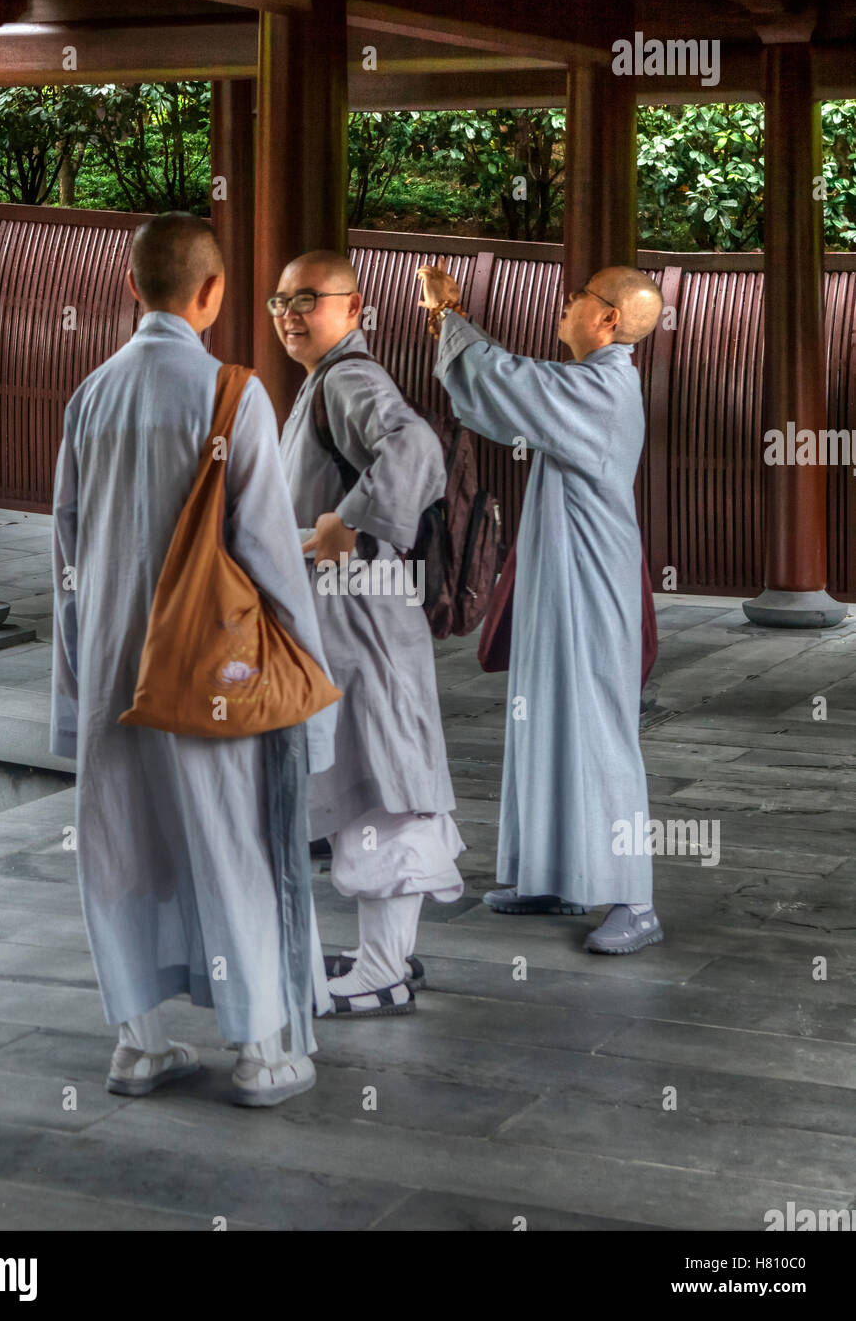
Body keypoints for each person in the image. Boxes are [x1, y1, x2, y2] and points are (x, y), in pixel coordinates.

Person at [51, 212, 337, 1104]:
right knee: (230, 847)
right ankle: (261, 1053)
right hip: (212, 676)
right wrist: (307, 698)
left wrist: (72, 693)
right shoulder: (231, 393)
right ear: (212, 295)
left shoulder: (89, 395)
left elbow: (66, 555)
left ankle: (138, 1046)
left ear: (133, 287)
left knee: (122, 849)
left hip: (110, 667)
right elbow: (267, 554)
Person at [418, 262, 664, 954]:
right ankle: (552, 876)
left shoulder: (604, 385)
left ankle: (635, 900)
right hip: (565, 586)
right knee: (546, 717)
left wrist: (449, 315)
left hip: (591, 590)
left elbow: (510, 382)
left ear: (608, 319)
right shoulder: (593, 383)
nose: (566, 303)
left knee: (599, 732)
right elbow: (509, 392)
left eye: (580, 296)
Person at [275, 250, 464, 1015]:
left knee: (384, 787)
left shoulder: (351, 377)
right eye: (280, 300)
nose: (291, 313)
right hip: (349, 616)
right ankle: (386, 955)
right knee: (371, 778)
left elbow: (416, 449)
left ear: (353, 309)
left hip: (365, 615)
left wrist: (345, 524)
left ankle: (385, 971)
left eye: (309, 299)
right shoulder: (326, 379)